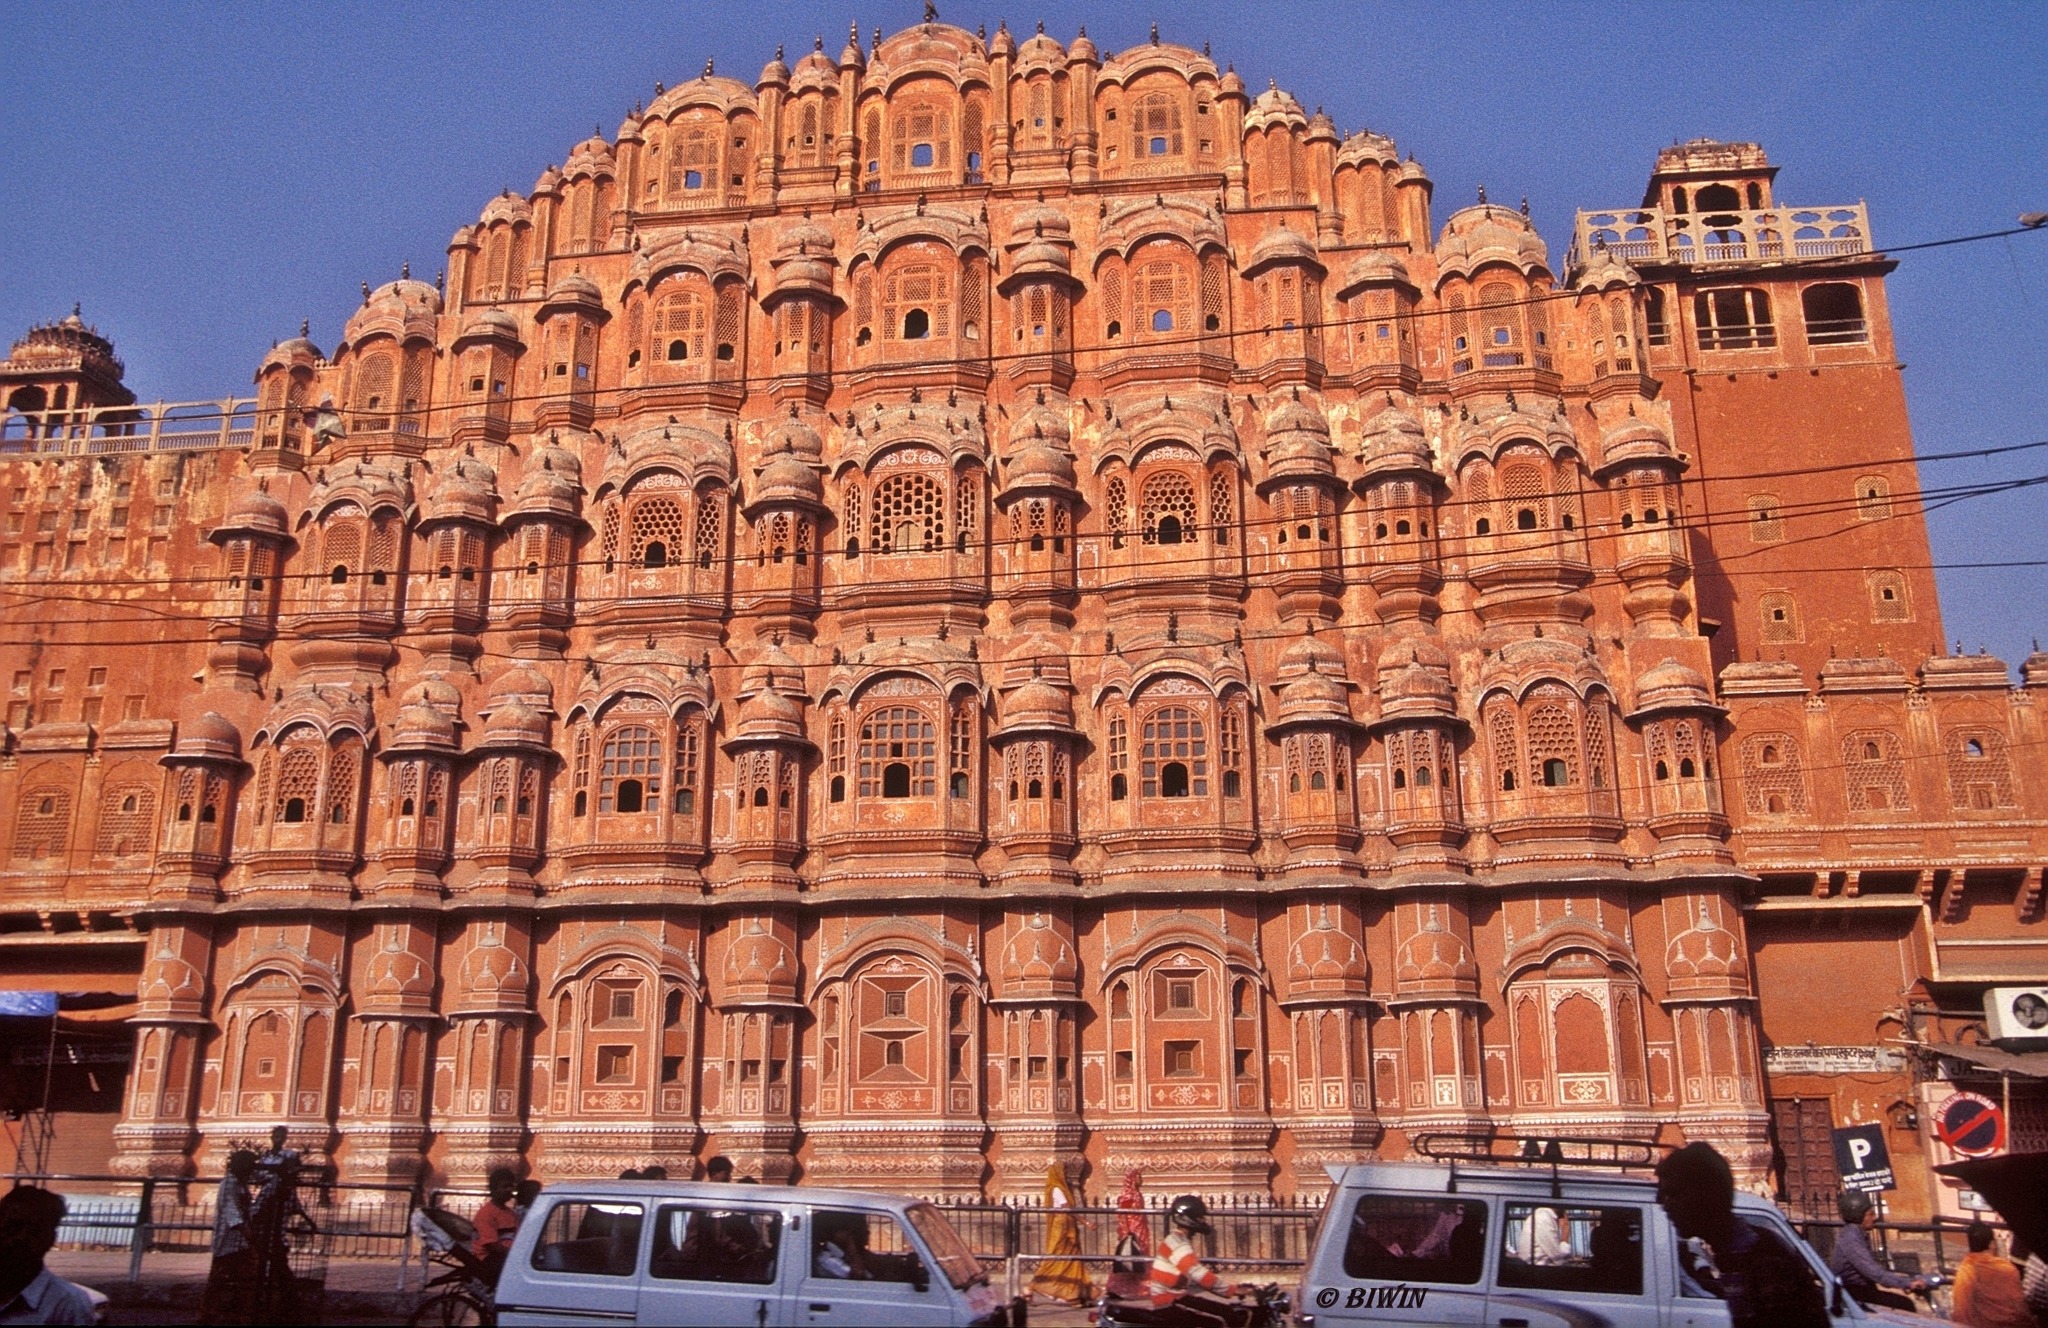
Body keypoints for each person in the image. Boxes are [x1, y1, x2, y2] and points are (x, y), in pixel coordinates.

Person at [1655, 1142, 1827, 1328]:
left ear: (1703, 1195)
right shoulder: (1730, 1253)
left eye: (1673, 1195)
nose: (1665, 1205)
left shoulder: (1762, 1258)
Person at [1146, 1195, 1253, 1328]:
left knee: (1229, 1311)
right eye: (1199, 1217)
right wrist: (1232, 1290)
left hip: (1177, 1297)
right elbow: (1199, 1275)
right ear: (1187, 1218)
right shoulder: (1178, 1244)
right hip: (1168, 1302)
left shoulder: (1176, 1238)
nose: (1203, 1220)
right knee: (1218, 1322)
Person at [0, 1186, 100, 1326]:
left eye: (33, 1231)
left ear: (49, 1239)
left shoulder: (67, 1304)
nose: (19, 1238)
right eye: (11, 1227)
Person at [1828, 1190, 1926, 1312]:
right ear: (1858, 1216)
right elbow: (1874, 1272)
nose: (1875, 1217)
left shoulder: (1857, 1234)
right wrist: (1906, 1283)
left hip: (1862, 1291)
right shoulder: (1851, 1238)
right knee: (1904, 1304)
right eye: (1871, 1214)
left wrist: (1900, 1281)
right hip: (1852, 1294)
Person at [202, 1150, 258, 1324]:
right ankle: (208, 1316)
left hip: (241, 1243)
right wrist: (249, 1234)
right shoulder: (229, 1184)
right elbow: (232, 1213)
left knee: (246, 1281)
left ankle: (239, 1316)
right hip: (228, 1241)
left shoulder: (241, 1184)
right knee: (219, 1281)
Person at [1028, 1162, 1093, 1306]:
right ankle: (1031, 1287)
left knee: (1071, 1260)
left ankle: (1076, 1293)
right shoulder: (1057, 1190)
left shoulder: (1061, 1189)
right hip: (1062, 1229)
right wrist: (1085, 1222)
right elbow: (1067, 1209)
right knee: (1056, 1260)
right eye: (1064, 1171)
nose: (1066, 1175)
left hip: (1068, 1227)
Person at [1952, 1221, 2033, 1328]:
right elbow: (2020, 1308)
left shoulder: (1964, 1270)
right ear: (1992, 1244)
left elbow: (1960, 1311)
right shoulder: (2007, 1269)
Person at [471, 1168, 521, 1285]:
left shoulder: (511, 1213)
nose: (509, 1190)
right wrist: (515, 1255)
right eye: (504, 1186)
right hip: (489, 1259)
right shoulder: (486, 1213)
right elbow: (491, 1245)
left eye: (511, 1186)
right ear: (493, 1189)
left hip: (507, 1255)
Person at [814, 1212, 872, 1280]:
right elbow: (859, 1274)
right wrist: (852, 1248)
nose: (850, 1233)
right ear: (836, 1233)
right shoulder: (826, 1258)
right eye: (846, 1230)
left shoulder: (841, 1253)